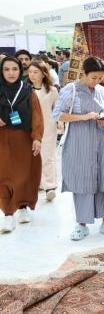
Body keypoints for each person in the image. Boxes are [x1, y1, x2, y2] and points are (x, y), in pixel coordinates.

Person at [53, 56, 104, 241]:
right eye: (94, 77)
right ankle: (81, 225)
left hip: (103, 141)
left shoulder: (102, 91)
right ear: (84, 74)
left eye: (100, 77)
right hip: (80, 143)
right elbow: (57, 114)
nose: (97, 81)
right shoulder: (70, 90)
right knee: (82, 181)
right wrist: (84, 117)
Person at [0, 56, 43, 233]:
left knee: (24, 175)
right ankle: (8, 214)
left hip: (24, 140)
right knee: (4, 176)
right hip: (2, 140)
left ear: (20, 71)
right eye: (6, 69)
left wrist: (37, 138)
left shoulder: (27, 91)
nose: (11, 73)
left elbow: (37, 115)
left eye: (14, 69)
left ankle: (23, 206)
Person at [27, 59, 59, 202]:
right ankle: (39, 183)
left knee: (48, 157)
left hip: (49, 127)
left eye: (35, 72)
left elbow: (57, 108)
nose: (32, 75)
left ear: (43, 73)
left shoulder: (52, 90)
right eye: (30, 72)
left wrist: (60, 122)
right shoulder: (25, 90)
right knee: (34, 157)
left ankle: (50, 187)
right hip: (30, 129)